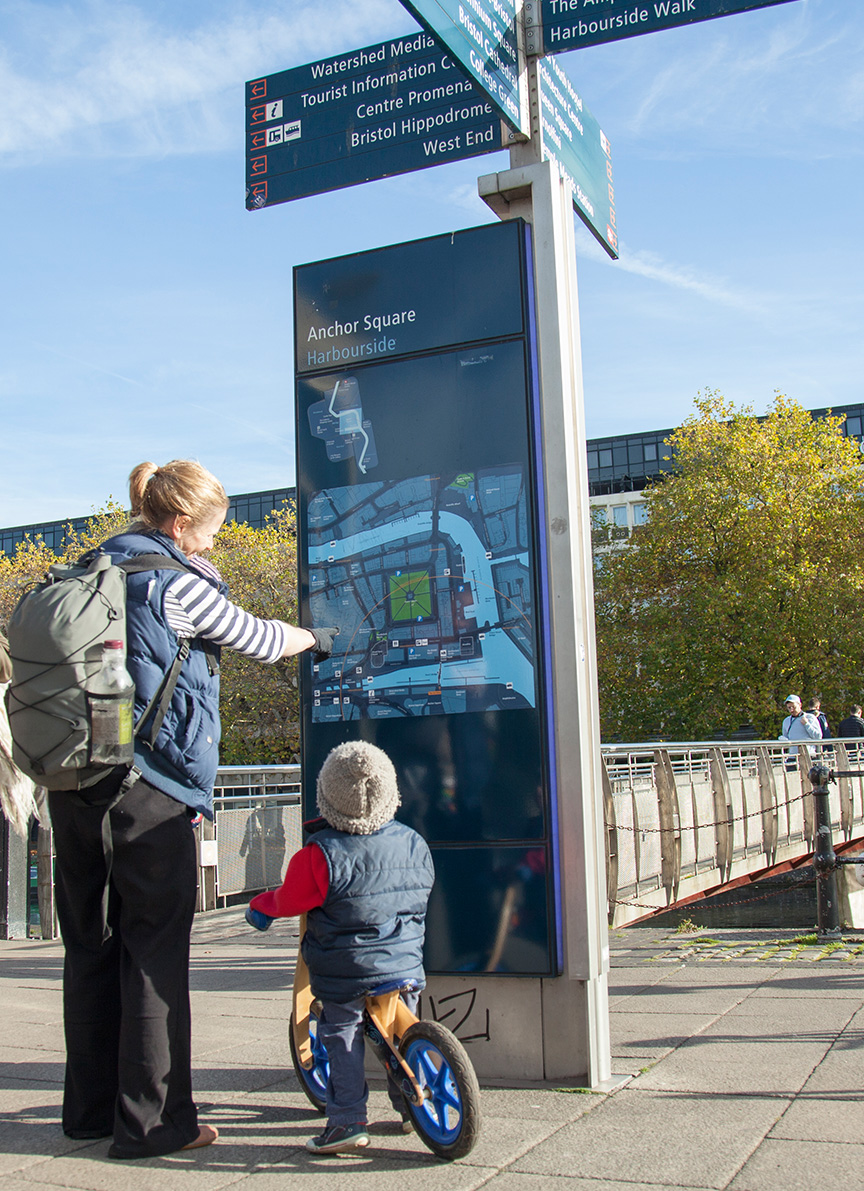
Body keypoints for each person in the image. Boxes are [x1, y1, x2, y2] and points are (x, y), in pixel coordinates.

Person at [47, 459, 337, 1161]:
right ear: (179, 524)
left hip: (73, 784)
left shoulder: (94, 568)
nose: (210, 545)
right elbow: (261, 638)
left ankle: (88, 1112)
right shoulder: (174, 583)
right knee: (153, 952)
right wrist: (313, 636)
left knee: (91, 948)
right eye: (208, 533)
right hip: (145, 794)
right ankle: (154, 1123)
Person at [247, 740, 434, 1155]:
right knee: (402, 1028)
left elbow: (288, 900)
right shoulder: (413, 842)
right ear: (390, 792)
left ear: (327, 796)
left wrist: (260, 909)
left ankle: (347, 1120)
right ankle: (409, 1108)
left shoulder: (319, 855)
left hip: (346, 969)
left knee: (341, 1031)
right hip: (405, 959)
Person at [778, 694, 821, 766]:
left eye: (793, 707)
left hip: (809, 756)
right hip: (792, 757)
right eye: (789, 708)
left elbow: (818, 736)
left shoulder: (810, 717)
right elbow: (786, 738)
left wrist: (807, 724)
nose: (791, 710)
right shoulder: (786, 721)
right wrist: (783, 740)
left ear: (800, 705)